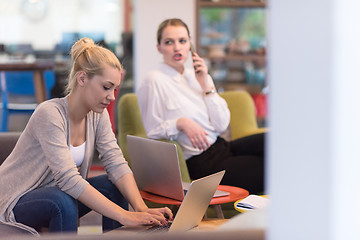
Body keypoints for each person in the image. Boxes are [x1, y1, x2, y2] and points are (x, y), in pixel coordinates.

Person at [0, 38, 172, 235]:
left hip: (57, 196)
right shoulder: (49, 114)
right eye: (106, 87)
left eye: (114, 89)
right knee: (62, 201)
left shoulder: (97, 115)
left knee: (111, 185)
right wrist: (125, 215)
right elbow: (67, 179)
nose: (112, 96)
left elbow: (116, 163)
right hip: (13, 201)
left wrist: (141, 209)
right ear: (82, 79)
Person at [137, 18, 265, 194]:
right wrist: (181, 123)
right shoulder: (154, 80)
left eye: (182, 41)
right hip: (202, 163)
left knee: (276, 142)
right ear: (159, 47)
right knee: (271, 168)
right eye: (169, 42)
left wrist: (206, 83)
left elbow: (221, 125)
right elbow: (151, 131)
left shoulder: (197, 76)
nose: (177, 47)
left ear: (190, 45)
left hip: (223, 147)